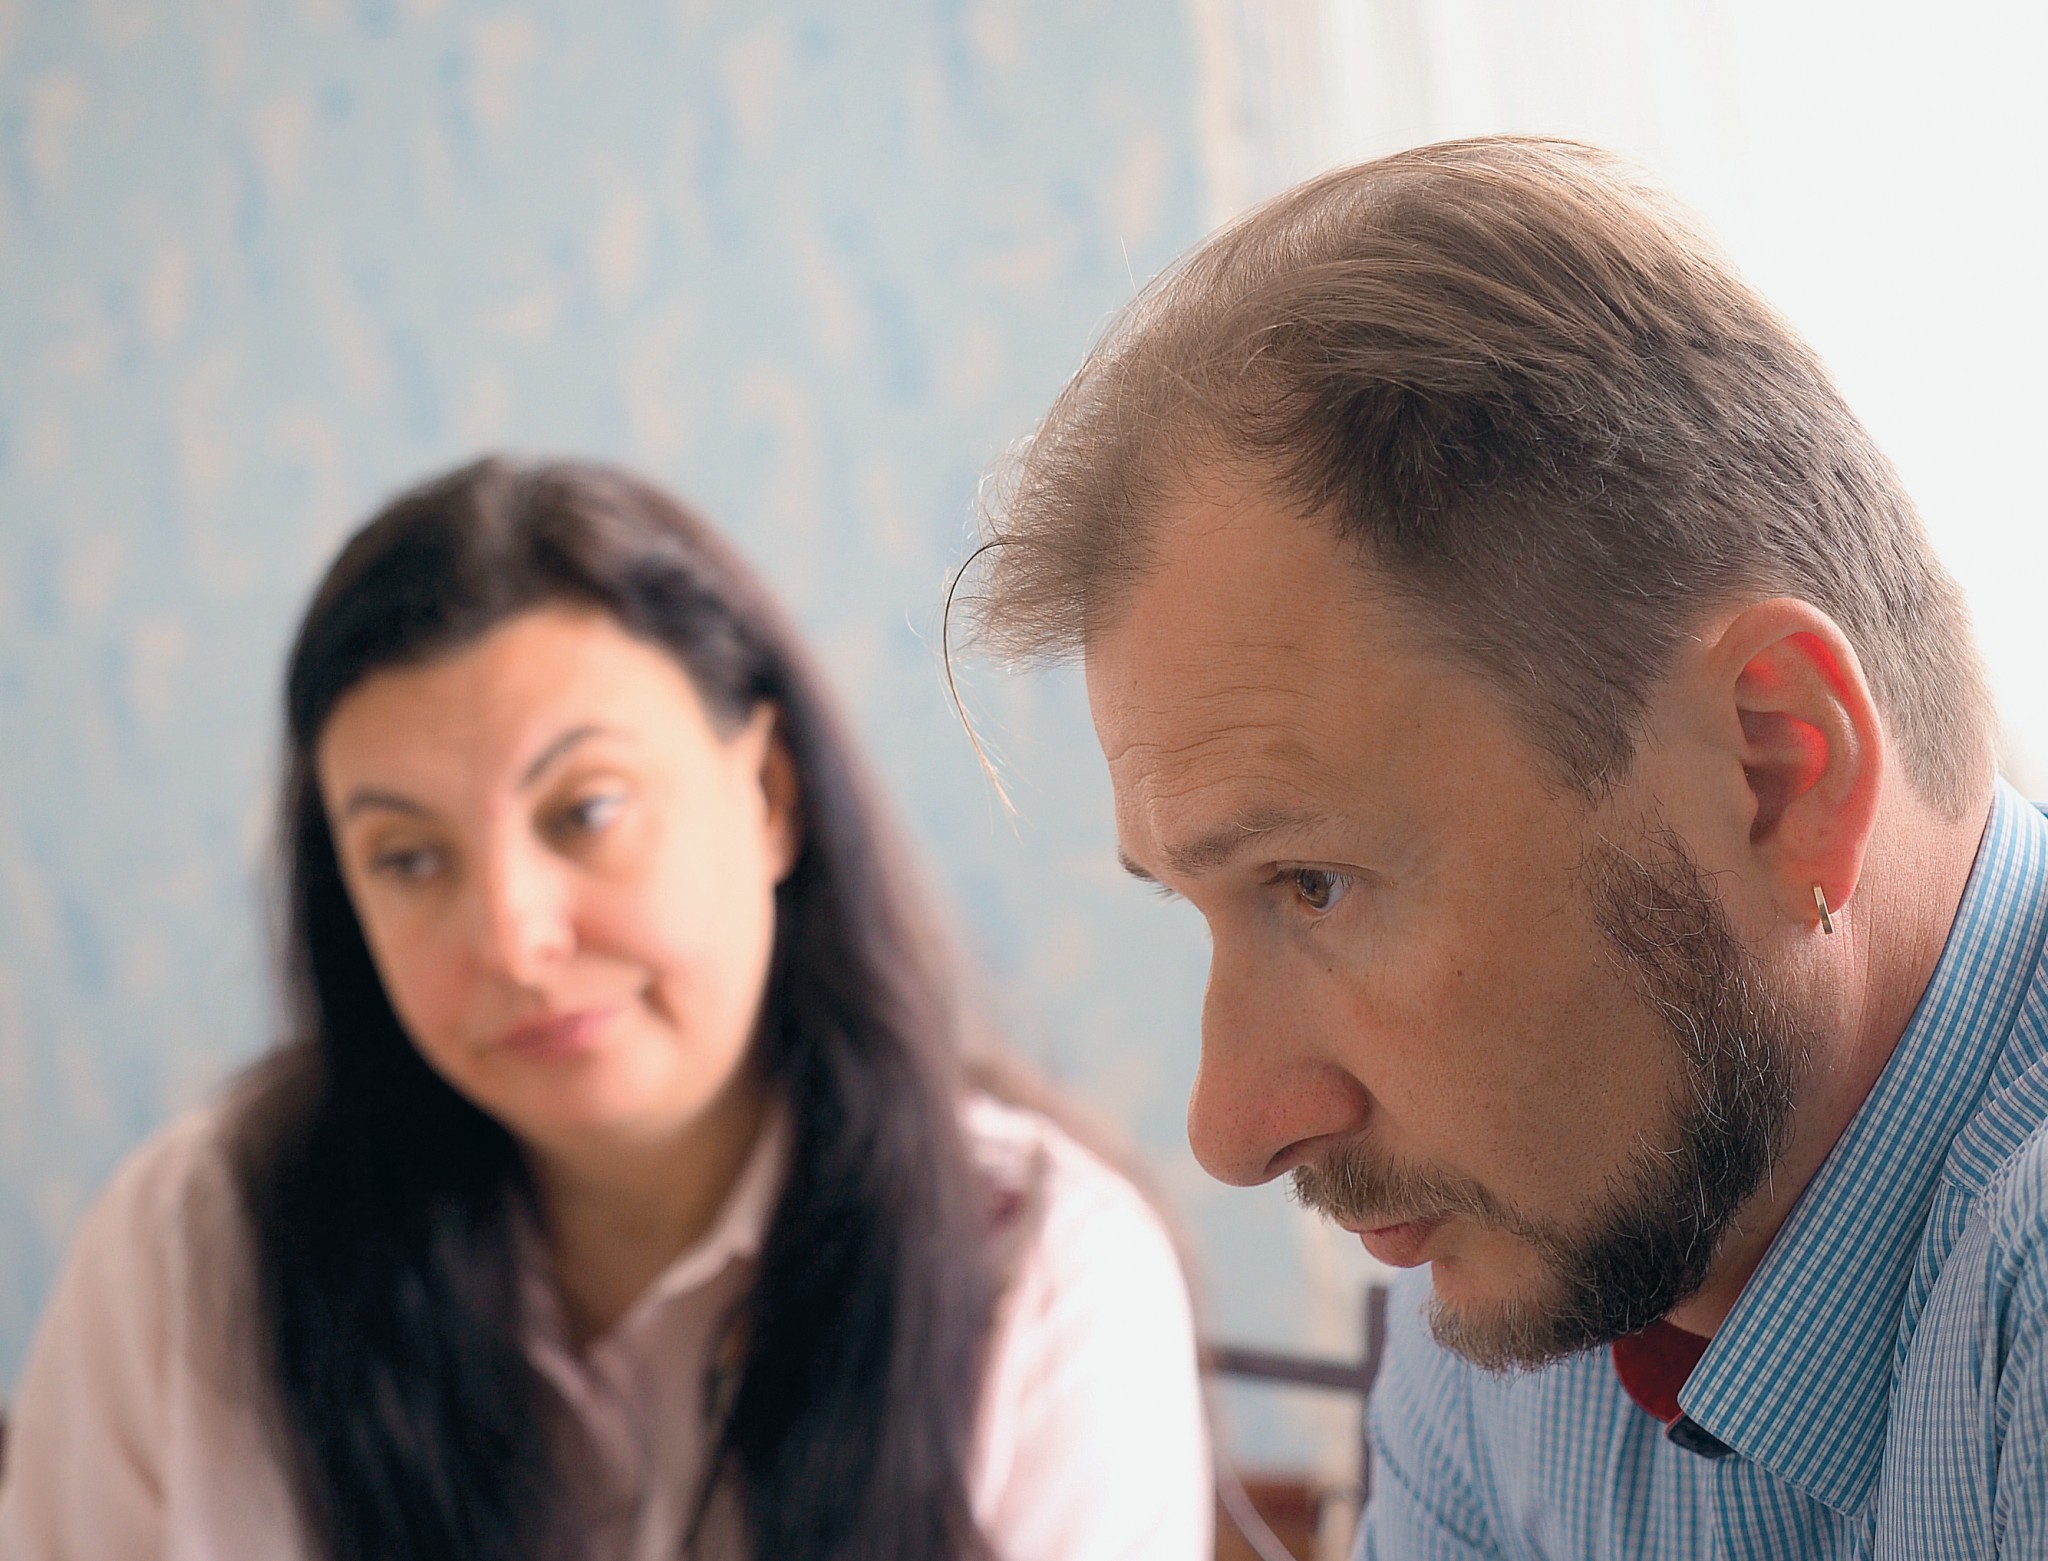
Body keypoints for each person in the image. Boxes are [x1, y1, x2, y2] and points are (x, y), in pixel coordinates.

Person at [962, 136, 2048, 1557]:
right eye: (1201, 905)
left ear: (1776, 771)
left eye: (1313, 884)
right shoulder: (1519, 1322)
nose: (1230, 1127)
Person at [0, 457, 1210, 1560]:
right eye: (408, 859)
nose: (513, 941)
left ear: (768, 794)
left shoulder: (1043, 1277)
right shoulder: (193, 1247)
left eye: (585, 811)